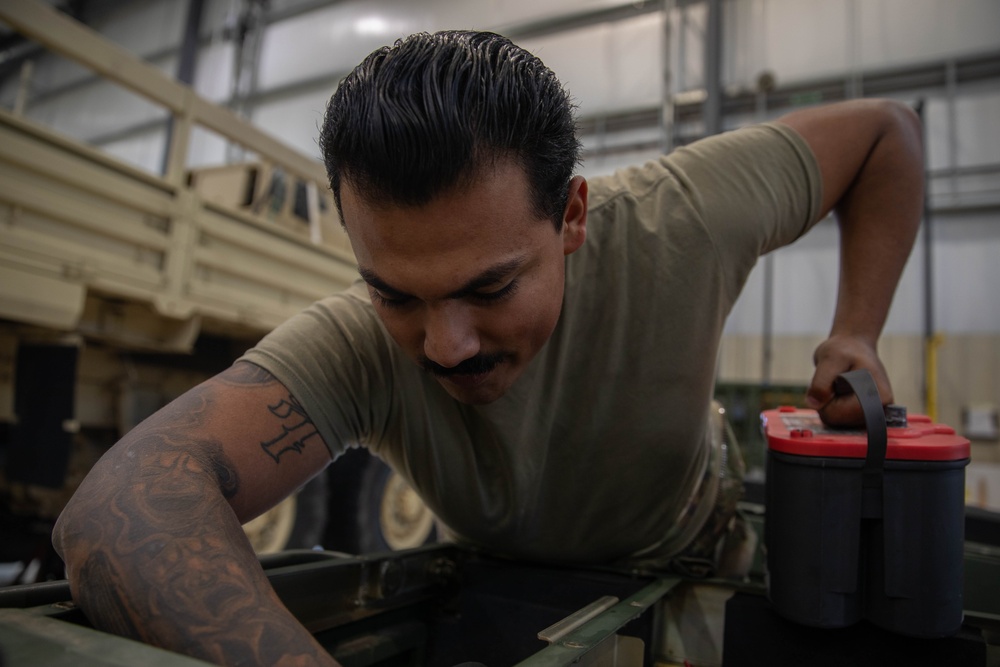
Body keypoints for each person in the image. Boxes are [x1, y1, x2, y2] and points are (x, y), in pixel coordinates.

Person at [52, 30, 923, 667]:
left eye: (491, 287)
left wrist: (856, 330)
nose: (445, 344)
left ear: (572, 216)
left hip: (694, 551)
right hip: (505, 584)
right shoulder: (356, 343)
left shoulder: (683, 217)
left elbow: (886, 133)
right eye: (394, 292)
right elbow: (117, 505)